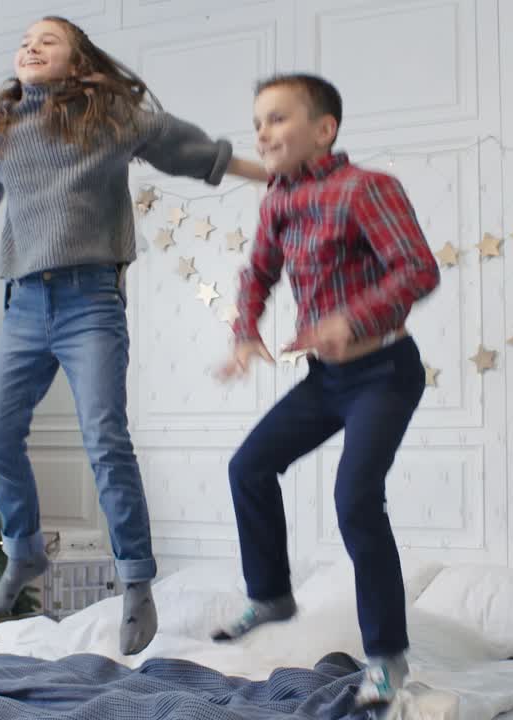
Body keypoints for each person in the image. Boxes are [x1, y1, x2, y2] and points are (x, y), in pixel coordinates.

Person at [0, 15, 266, 655]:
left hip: (90, 304)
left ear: (77, 61)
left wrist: (263, 171)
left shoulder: (109, 119)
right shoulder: (6, 132)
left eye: (46, 41)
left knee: (105, 439)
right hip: (25, 306)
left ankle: (136, 581)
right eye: (24, 41)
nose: (29, 47)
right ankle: (24, 552)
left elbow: (186, 149)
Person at [212, 73, 439, 708]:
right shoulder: (277, 202)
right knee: (248, 467)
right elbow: (257, 273)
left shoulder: (366, 189)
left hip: (384, 372)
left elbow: (418, 269)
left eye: (278, 119)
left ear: (324, 129)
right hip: (327, 379)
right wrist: (244, 331)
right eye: (258, 123)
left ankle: (387, 656)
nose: (263, 133)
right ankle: (271, 595)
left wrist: (351, 319)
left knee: (355, 500)